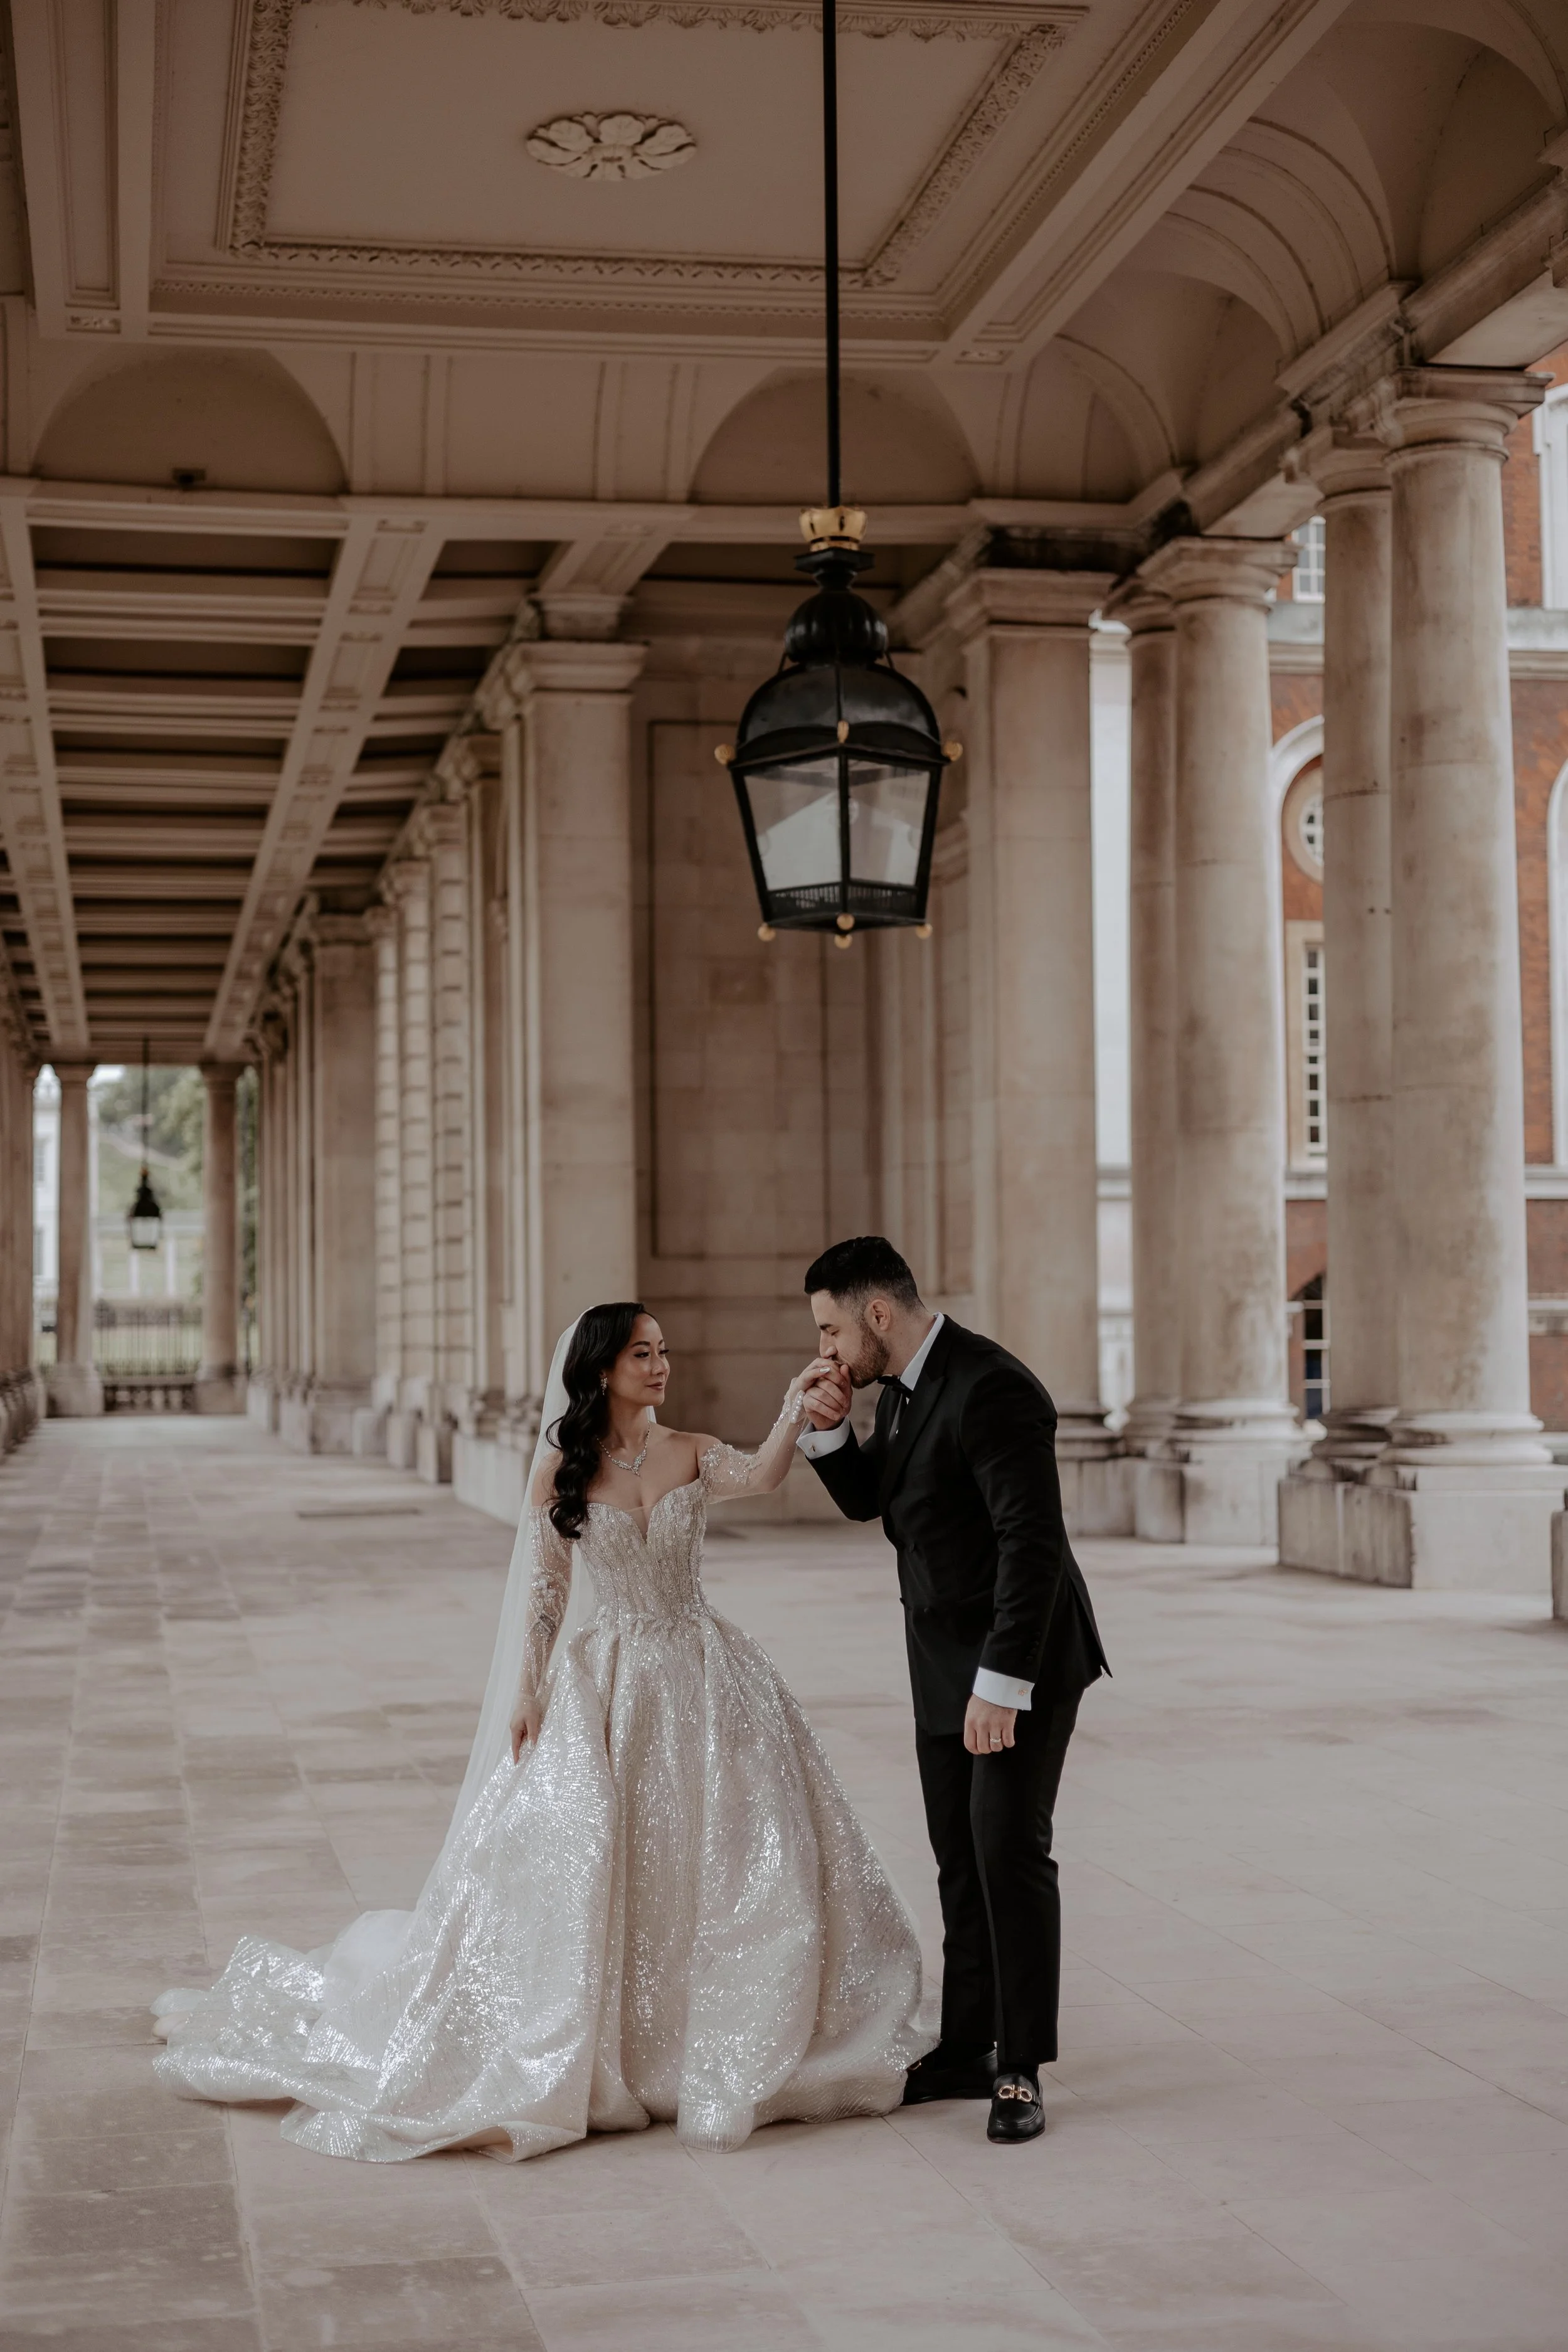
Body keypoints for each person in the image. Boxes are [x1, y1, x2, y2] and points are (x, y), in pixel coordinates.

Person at [152, 1303, 929, 2161]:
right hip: (610, 1678)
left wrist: (791, 1408)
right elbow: (546, 1591)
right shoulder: (564, 1467)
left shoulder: (692, 1448)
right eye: (644, 1352)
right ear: (602, 1368)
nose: (662, 1364)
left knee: (726, 1849)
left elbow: (761, 1477)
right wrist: (528, 1688)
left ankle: (704, 2038)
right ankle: (613, 2043)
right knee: (599, 1852)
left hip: (704, 1671)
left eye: (665, 1350)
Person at [797, 1237, 1107, 2146]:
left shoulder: (994, 1388)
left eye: (830, 1328)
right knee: (957, 1855)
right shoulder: (893, 1395)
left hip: (1023, 1659)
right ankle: (969, 2041)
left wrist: (1002, 1686)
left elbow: (1033, 1547)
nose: (826, 1348)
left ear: (878, 1315)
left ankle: (1020, 2064)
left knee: (1008, 1849)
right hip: (941, 1662)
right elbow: (875, 1502)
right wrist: (829, 1428)